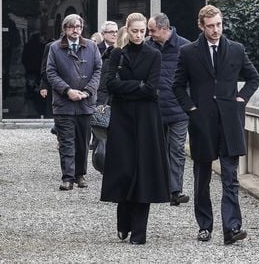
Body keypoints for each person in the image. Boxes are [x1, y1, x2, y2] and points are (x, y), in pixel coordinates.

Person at [173, 5, 259, 245]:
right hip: (202, 123)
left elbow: (254, 78)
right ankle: (204, 225)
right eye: (210, 26)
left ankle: (232, 227)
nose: (216, 30)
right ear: (201, 26)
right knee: (202, 178)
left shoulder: (236, 49)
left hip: (230, 122)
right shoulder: (188, 52)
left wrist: (240, 100)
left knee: (230, 177)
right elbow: (177, 86)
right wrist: (191, 109)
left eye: (219, 25)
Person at [100, 13, 169, 245]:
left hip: (147, 119)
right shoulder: (118, 53)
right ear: (127, 30)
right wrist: (137, 86)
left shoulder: (154, 54)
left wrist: (127, 87)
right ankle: (123, 222)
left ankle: (140, 231)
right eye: (135, 31)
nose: (139, 35)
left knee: (144, 172)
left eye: (142, 31)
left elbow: (152, 89)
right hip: (122, 119)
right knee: (124, 169)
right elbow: (110, 85)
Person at [46, 14, 102, 190]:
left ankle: (80, 175)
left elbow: (98, 70)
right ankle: (67, 177)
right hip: (64, 104)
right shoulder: (55, 48)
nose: (75, 30)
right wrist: (67, 91)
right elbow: (51, 73)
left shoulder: (92, 47)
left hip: (85, 103)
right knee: (66, 142)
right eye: (71, 27)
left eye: (78, 26)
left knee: (83, 142)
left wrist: (87, 92)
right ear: (65, 29)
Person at [146, 12, 191, 206]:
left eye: (152, 30)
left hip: (179, 110)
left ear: (165, 29)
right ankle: (161, 187)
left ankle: (175, 190)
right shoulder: (148, 47)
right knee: (159, 150)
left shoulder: (185, 47)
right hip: (155, 108)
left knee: (177, 150)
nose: (149, 34)